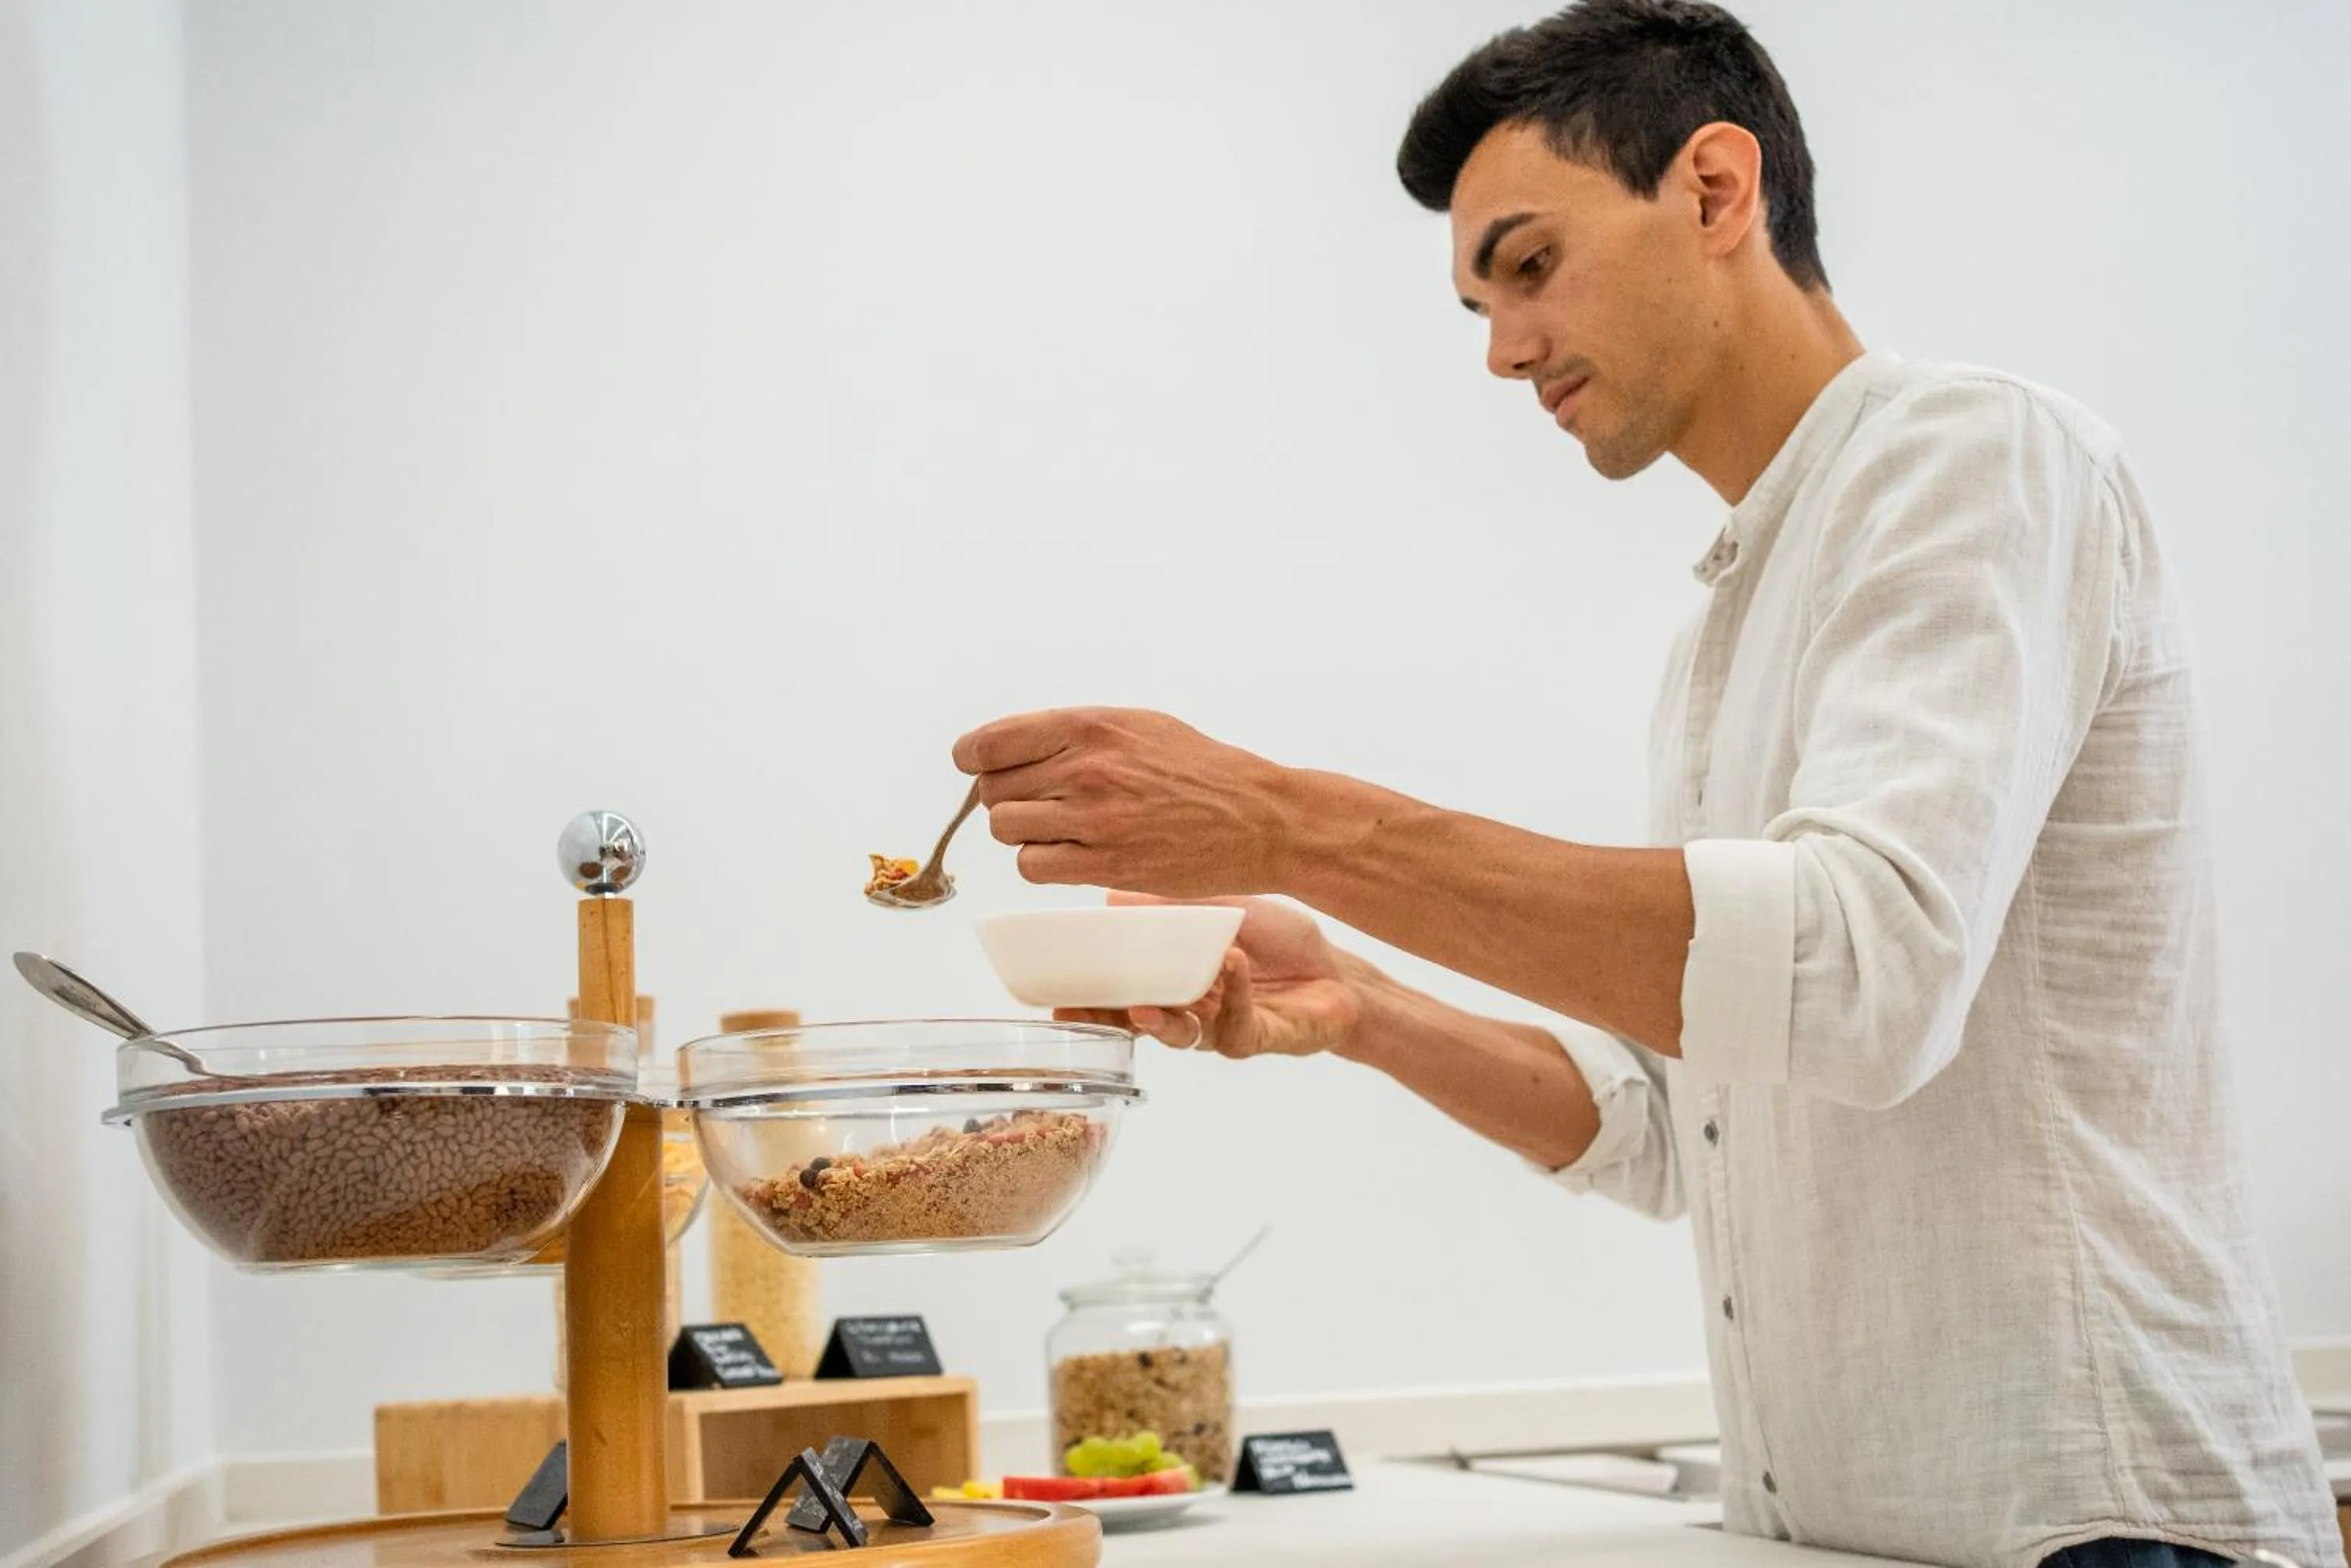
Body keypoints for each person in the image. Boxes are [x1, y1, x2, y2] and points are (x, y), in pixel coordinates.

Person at [951, 4, 2343, 1566]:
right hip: (1844, 1535)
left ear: (1716, 190)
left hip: (2100, 1531)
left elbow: (1858, 975)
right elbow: (1688, 1132)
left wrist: (1285, 819)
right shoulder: (1716, 643)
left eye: (1531, 267)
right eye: (1477, 304)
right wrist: (1357, 1001)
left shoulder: (1978, 460)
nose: (1502, 349)